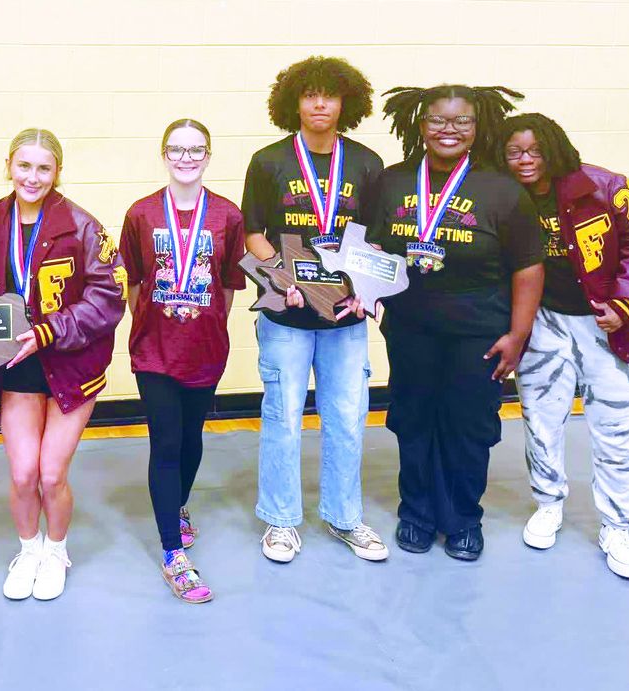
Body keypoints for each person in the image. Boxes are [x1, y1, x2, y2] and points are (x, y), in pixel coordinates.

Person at [366, 85, 544, 561]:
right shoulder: (393, 180)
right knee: (414, 418)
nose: (449, 129)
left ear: (476, 126)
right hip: (410, 328)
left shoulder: (501, 189)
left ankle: (464, 519)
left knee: (468, 426)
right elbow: (373, 248)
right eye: (438, 120)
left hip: (478, 332)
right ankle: (417, 514)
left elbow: (529, 266)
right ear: (420, 126)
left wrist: (518, 334)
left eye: (461, 121)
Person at [240, 56, 388, 563]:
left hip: (344, 317)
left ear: (346, 101)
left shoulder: (368, 164)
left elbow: (376, 240)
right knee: (282, 418)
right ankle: (281, 522)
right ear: (294, 102)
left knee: (347, 416)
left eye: (329, 94)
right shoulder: (269, 161)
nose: (320, 103)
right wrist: (283, 276)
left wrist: (361, 289)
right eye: (309, 94)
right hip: (287, 316)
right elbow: (253, 233)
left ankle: (346, 517)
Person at [0, 128, 126, 601]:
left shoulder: (84, 226)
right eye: (24, 166)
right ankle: (29, 549)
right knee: (22, 473)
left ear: (57, 171)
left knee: (51, 473)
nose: (32, 177)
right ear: (8, 166)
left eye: (43, 167)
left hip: (71, 366)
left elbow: (109, 298)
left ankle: (56, 550)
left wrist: (49, 330)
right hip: (15, 366)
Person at [498, 113, 629, 578]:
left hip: (602, 324)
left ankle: (618, 525)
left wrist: (624, 303)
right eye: (515, 152)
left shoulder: (605, 187)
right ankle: (549, 503)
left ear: (554, 148)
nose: (525, 160)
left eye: (534, 150)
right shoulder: (503, 195)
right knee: (541, 418)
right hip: (542, 323)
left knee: (616, 427)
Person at [120, 118, 245, 603]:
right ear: (164, 154)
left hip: (205, 348)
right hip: (154, 349)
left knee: (191, 440)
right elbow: (134, 283)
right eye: (177, 149)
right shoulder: (142, 214)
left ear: (209, 155)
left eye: (196, 150)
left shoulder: (228, 216)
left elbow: (229, 287)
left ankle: (179, 505)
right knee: (166, 442)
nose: (186, 157)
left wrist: (203, 320)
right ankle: (174, 553)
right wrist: (157, 320)